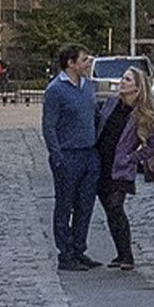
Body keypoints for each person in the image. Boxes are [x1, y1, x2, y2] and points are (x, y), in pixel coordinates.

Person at [42, 42, 101, 271]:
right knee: (65, 205)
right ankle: (65, 254)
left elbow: (94, 116)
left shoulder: (88, 86)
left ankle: (79, 248)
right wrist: (57, 156)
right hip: (68, 155)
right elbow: (49, 126)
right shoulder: (56, 90)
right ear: (71, 63)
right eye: (84, 60)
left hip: (88, 153)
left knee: (85, 205)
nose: (87, 63)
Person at [94, 67, 154, 269]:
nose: (122, 82)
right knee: (109, 211)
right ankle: (120, 254)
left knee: (116, 207)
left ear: (138, 87)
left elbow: (153, 146)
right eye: (123, 78)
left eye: (128, 80)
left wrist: (132, 158)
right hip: (102, 163)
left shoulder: (143, 114)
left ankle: (127, 256)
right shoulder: (111, 103)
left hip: (121, 168)